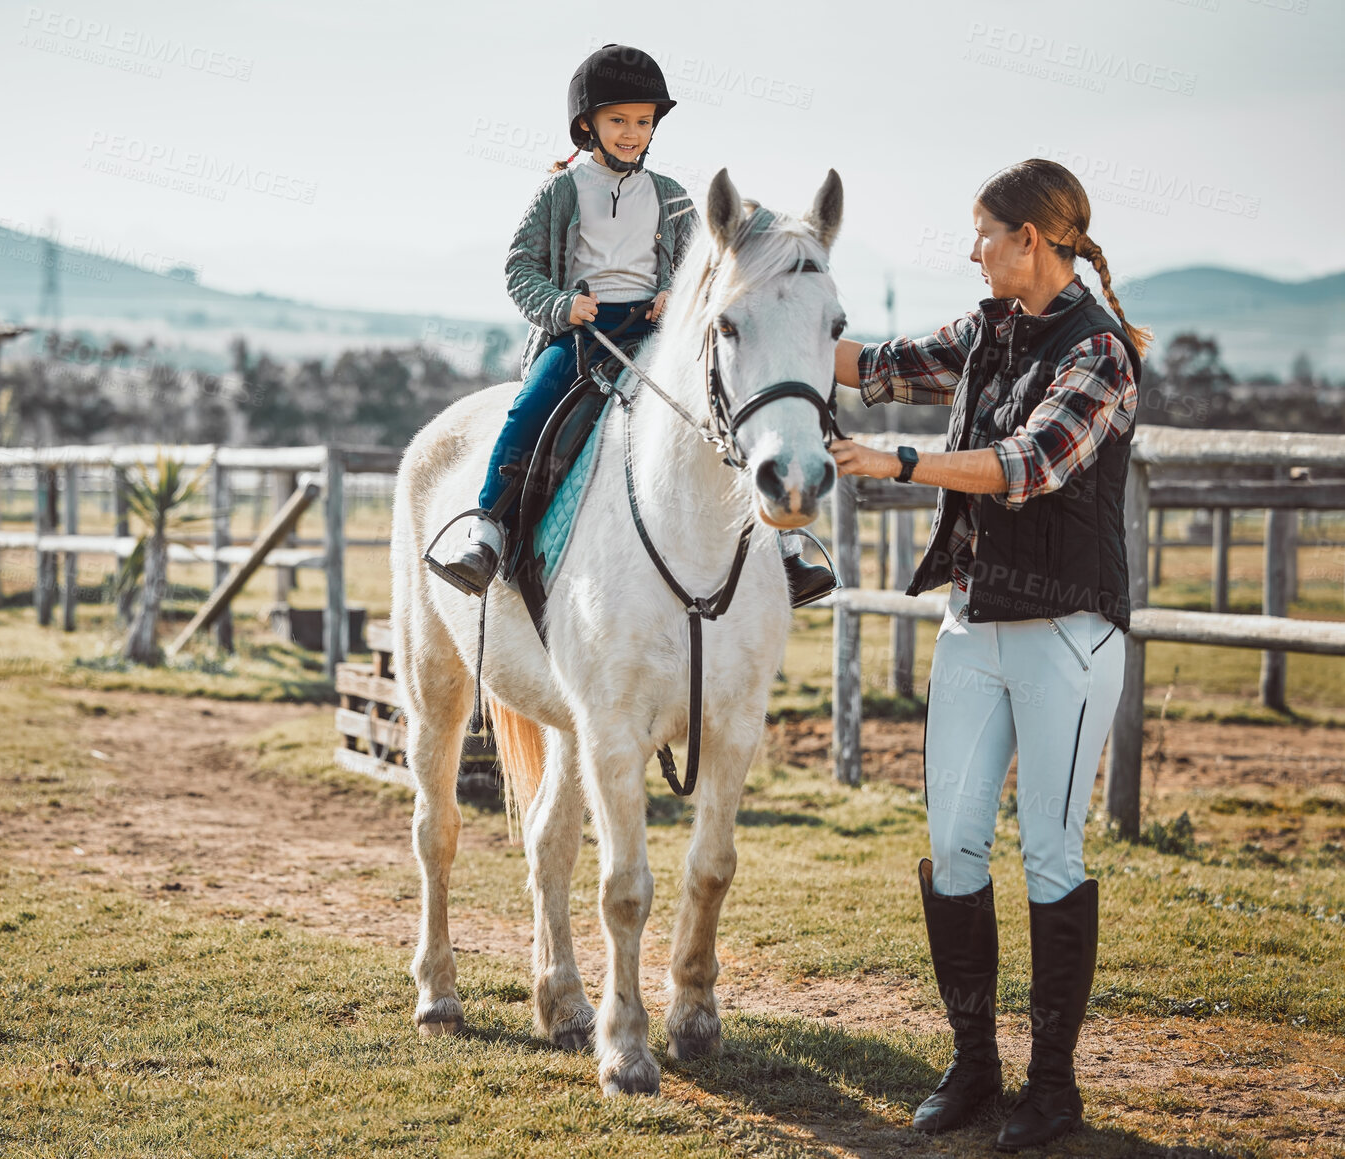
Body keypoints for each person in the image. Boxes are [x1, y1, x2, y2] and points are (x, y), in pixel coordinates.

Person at [828, 158, 1151, 1151]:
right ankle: (972, 1066)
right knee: (954, 845)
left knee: (1048, 852)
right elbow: (869, 364)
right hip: (971, 624)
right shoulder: (981, 334)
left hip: (1067, 632)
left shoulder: (1096, 352)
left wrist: (900, 462)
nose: (969, 252)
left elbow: (1029, 467)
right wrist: (734, 298)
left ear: (1032, 240)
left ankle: (1051, 1090)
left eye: (982, 234)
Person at [430, 43, 835, 605]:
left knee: (726, 408)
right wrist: (560, 306)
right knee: (530, 408)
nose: (631, 132)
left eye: (642, 122)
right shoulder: (561, 189)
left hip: (655, 333)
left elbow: (705, 269)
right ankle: (488, 530)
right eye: (618, 120)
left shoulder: (671, 196)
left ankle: (785, 543)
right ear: (586, 125)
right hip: (581, 335)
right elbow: (520, 267)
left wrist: (673, 293)